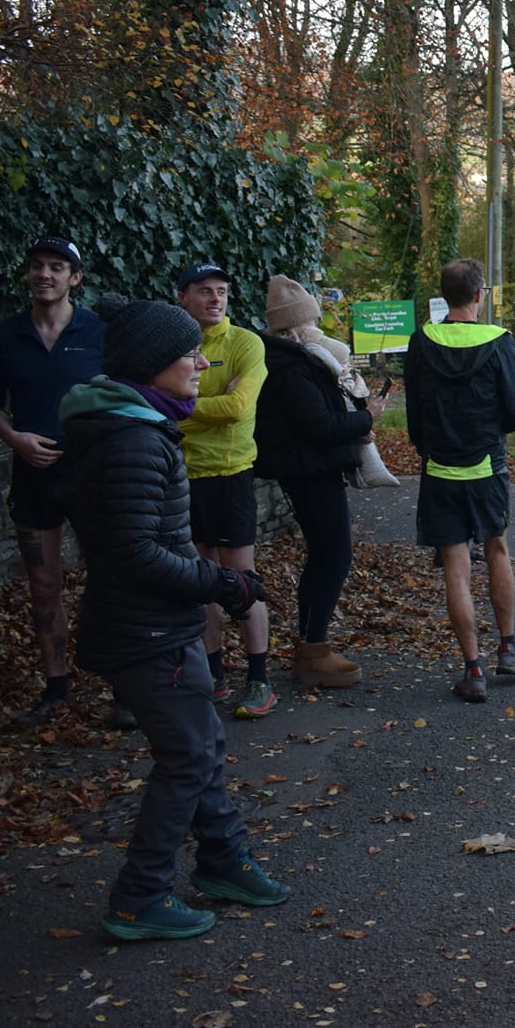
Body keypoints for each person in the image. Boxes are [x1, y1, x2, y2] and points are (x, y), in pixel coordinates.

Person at [62, 294, 289, 938]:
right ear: (151, 363)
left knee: (203, 745)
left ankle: (221, 860)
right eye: (187, 352)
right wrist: (224, 584)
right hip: (145, 629)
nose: (200, 362)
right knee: (188, 756)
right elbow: (135, 553)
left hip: (164, 622)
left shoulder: (142, 424)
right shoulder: (134, 438)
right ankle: (140, 896)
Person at [0, 235, 105, 725]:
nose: (45, 274)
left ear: (75, 278)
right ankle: (57, 686)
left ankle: (120, 679)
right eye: (37, 265)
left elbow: (121, 394)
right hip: (32, 474)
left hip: (91, 473)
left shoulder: (99, 331)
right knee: (44, 584)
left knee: (110, 576)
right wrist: (16, 439)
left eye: (57, 267)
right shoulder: (6, 335)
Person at [405, 259, 515, 701]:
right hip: (487, 467)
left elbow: (415, 413)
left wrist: (430, 450)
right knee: (497, 548)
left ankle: (472, 669)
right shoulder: (499, 343)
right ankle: (509, 648)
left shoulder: (422, 340)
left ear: (445, 295)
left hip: (439, 468)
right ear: (480, 295)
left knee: (455, 568)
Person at [253, 275, 383, 689]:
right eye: (313, 321)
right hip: (309, 470)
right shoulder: (293, 366)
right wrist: (366, 418)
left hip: (308, 467)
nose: (319, 328)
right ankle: (313, 649)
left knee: (326, 555)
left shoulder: (290, 360)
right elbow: (319, 425)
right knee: (332, 555)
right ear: (299, 325)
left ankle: (313, 645)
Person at [175, 263, 274, 719]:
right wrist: (188, 408)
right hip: (184, 475)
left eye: (221, 292)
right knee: (199, 579)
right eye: (203, 292)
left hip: (231, 473)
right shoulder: (175, 342)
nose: (215, 299)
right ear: (183, 298)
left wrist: (182, 407)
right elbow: (158, 404)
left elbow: (237, 407)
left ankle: (259, 679)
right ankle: (214, 674)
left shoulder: (245, 343)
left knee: (242, 580)